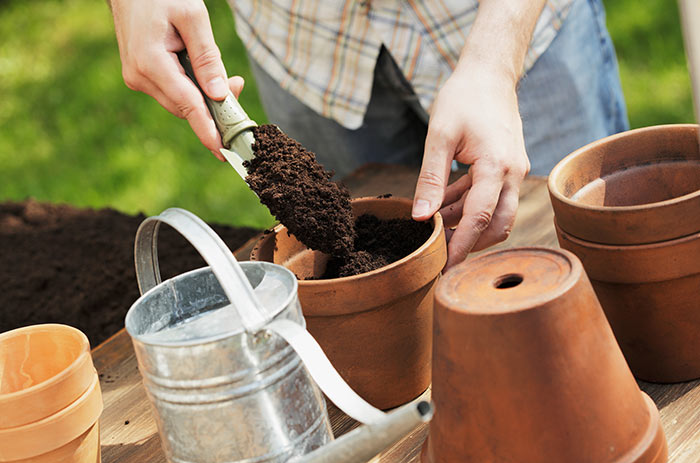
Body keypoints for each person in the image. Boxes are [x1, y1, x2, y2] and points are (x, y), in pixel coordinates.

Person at [109, 0, 628, 269]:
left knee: (585, 267)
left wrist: (495, 65)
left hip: (505, 28)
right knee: (345, 246)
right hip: (305, 42)